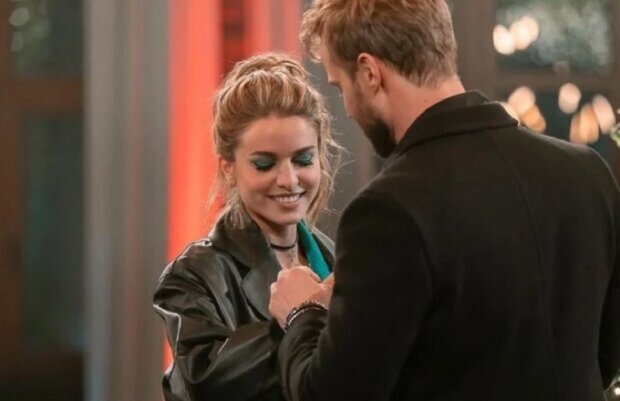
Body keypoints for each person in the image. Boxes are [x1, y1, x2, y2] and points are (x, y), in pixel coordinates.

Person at [268, 1, 620, 400]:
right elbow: (605, 357)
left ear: (369, 73)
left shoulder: (386, 211)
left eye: (340, 87)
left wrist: (301, 312)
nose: (347, 108)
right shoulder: (586, 172)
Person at [153, 52, 339, 401]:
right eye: (265, 164)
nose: (289, 179)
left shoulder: (336, 256)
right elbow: (203, 382)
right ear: (228, 168)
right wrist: (304, 314)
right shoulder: (193, 275)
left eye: (303, 159)